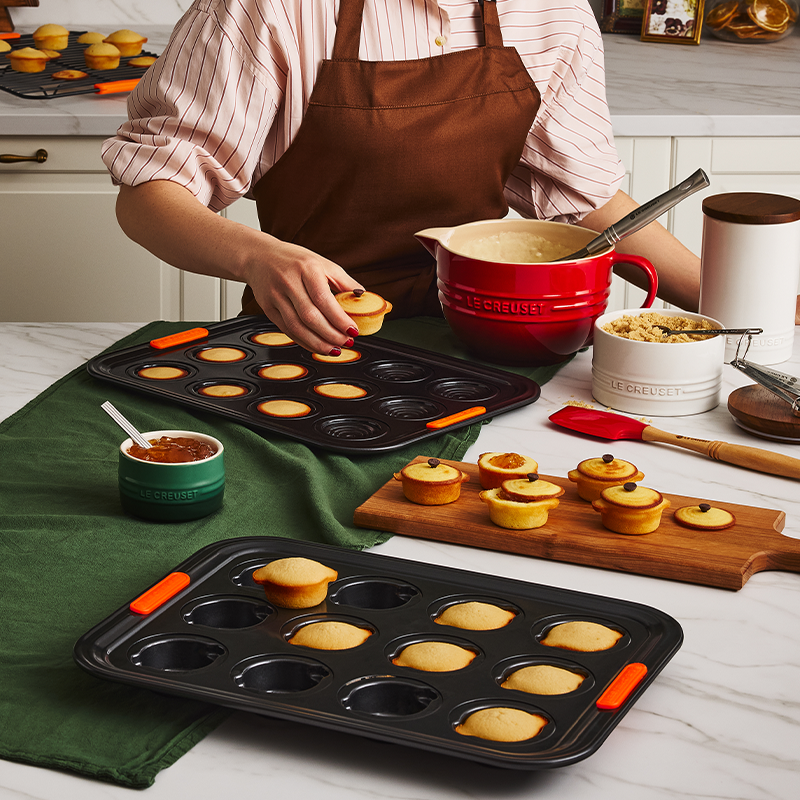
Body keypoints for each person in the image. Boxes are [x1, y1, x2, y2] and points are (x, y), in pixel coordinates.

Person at [106, 0, 703, 357]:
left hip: (497, 345)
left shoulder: (550, 12)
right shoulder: (268, 9)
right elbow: (150, 195)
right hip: (312, 340)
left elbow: (586, 203)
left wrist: (738, 300)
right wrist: (257, 258)